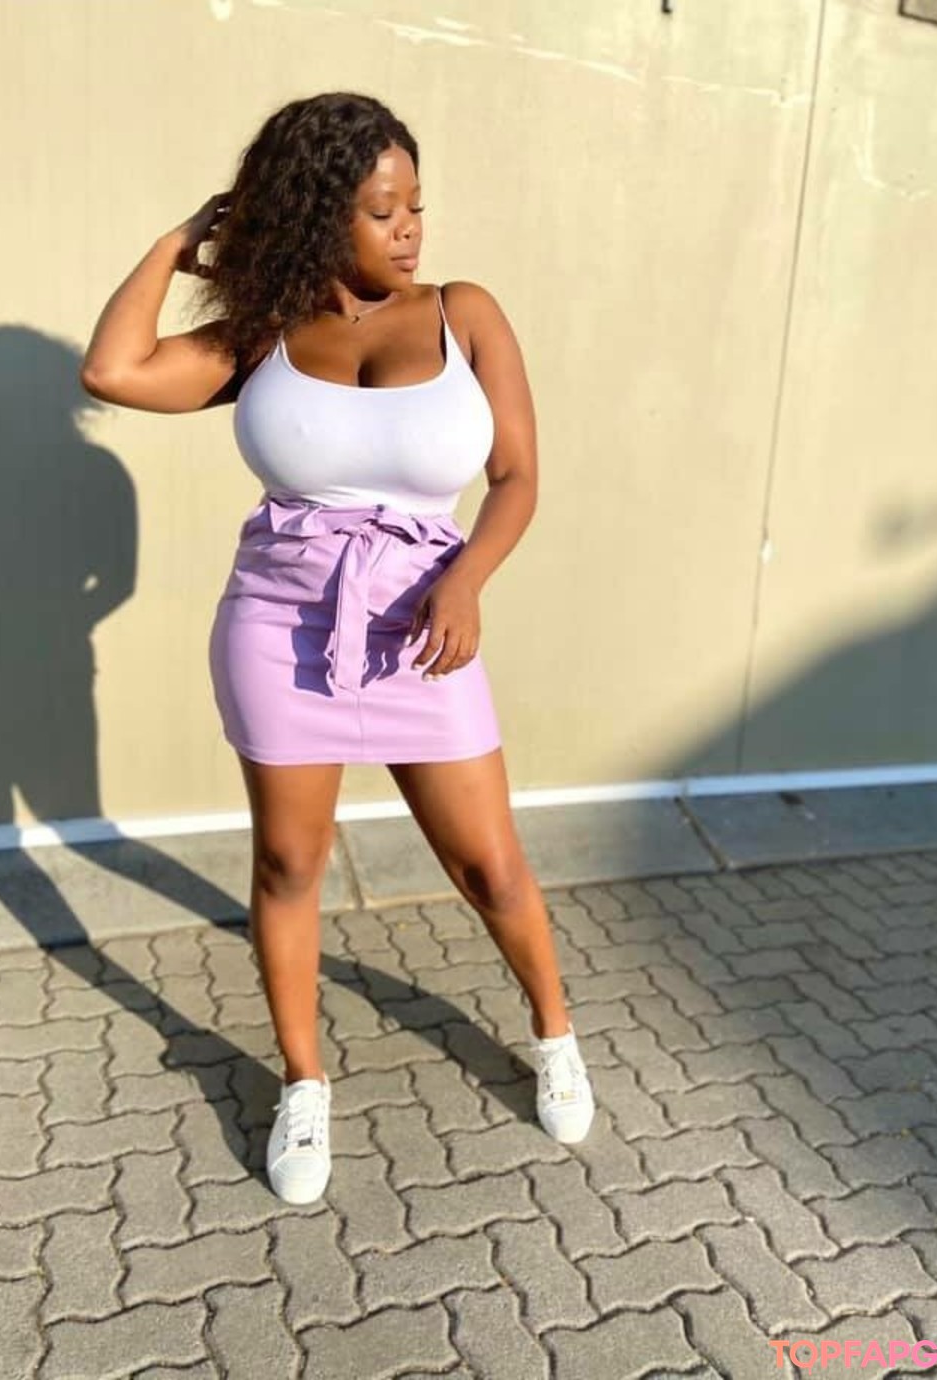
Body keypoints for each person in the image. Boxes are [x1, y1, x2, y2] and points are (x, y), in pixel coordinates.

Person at [80, 91, 595, 1205]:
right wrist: (180, 241)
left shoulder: (465, 314)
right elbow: (113, 372)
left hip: (423, 622)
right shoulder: (261, 332)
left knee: (488, 864)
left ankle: (555, 1032)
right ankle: (304, 1083)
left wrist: (467, 578)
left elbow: (517, 477)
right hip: (279, 624)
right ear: (321, 215)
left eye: (416, 205)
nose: (410, 230)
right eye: (381, 210)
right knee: (287, 865)